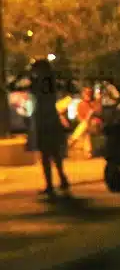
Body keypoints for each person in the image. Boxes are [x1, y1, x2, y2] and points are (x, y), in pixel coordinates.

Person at [27, 58, 70, 198]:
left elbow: (37, 95)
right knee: (54, 152)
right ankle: (61, 179)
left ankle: (50, 185)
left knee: (46, 154)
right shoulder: (50, 81)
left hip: (44, 120)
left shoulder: (41, 83)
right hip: (50, 118)